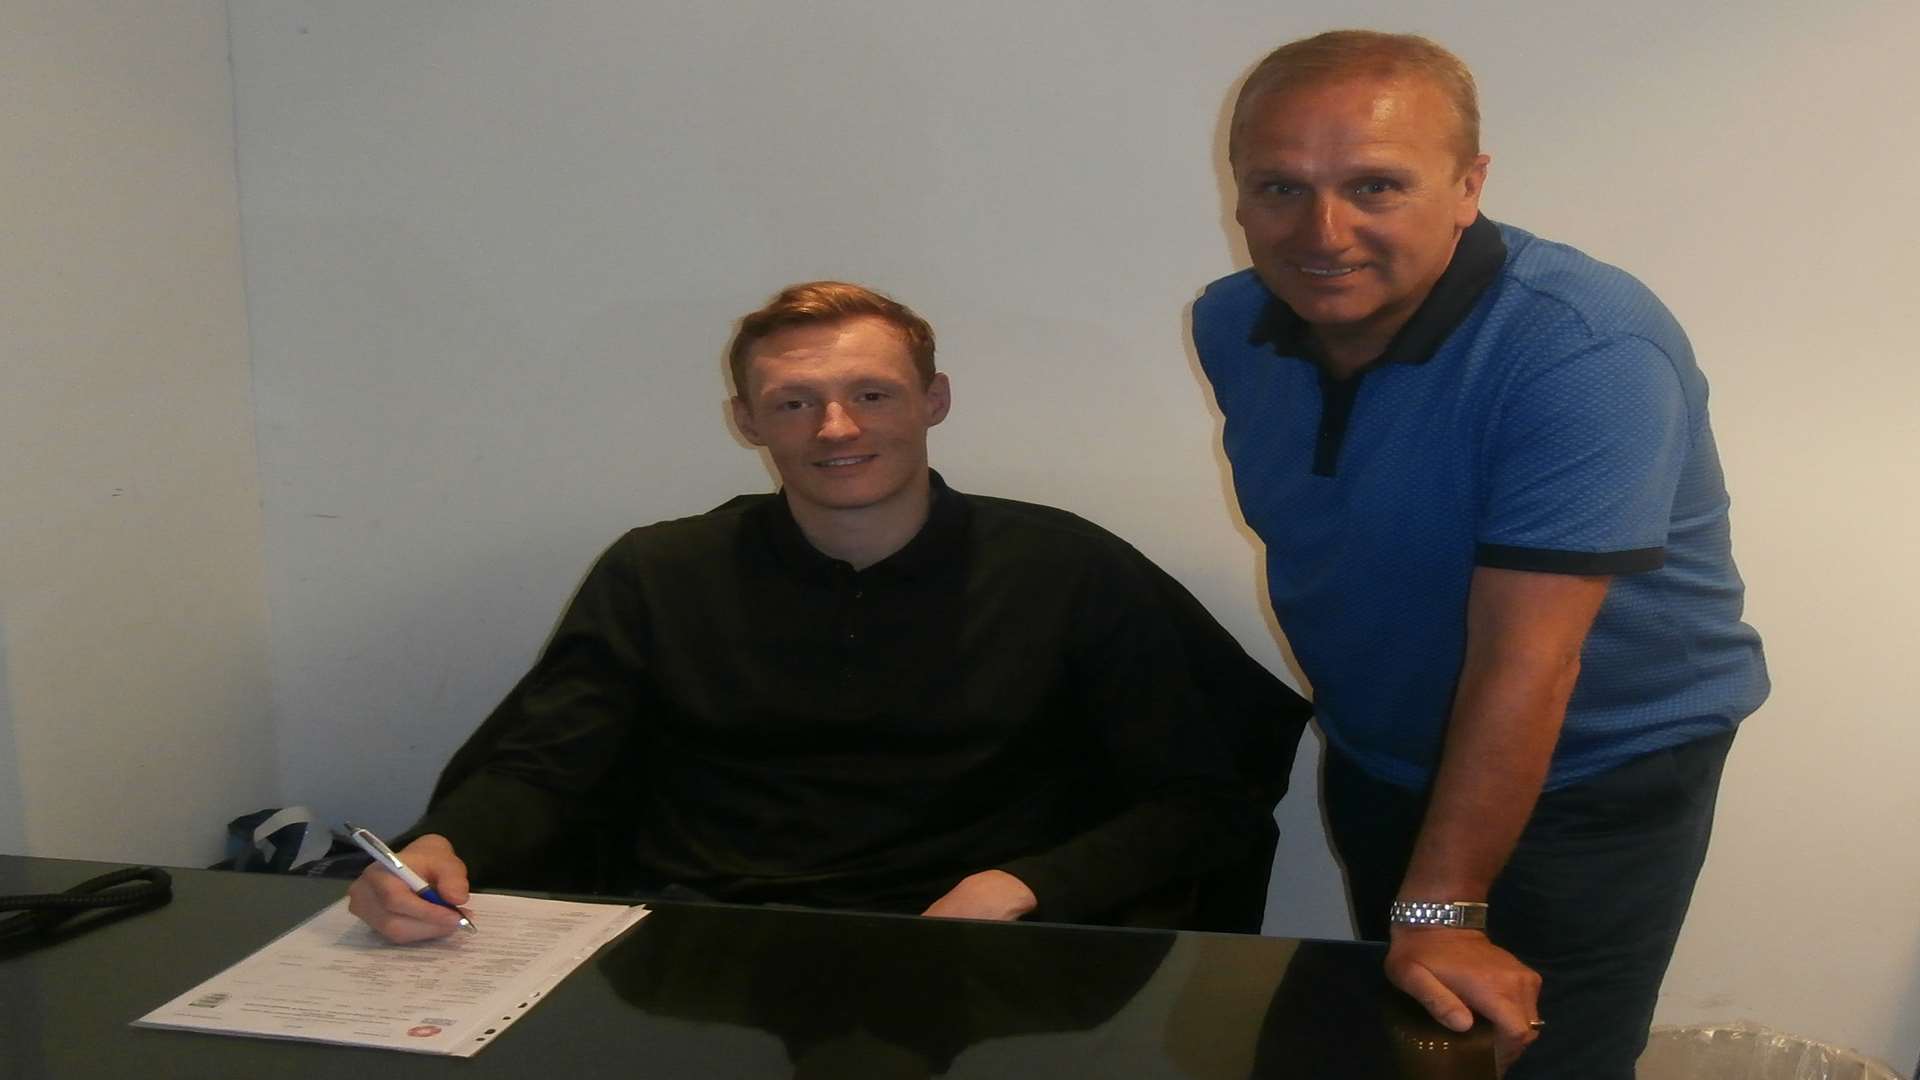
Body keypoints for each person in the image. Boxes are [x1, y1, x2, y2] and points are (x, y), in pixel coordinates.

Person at [350, 281, 1298, 943]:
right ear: (747, 423)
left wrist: (1027, 886)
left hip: (976, 948)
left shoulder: (1067, 569)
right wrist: (441, 844)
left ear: (934, 401)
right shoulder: (660, 572)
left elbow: (1200, 800)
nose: (835, 429)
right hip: (700, 948)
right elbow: (545, 769)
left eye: (871, 394)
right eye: (794, 402)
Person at [1190, 30, 1768, 1078]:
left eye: (1375, 186)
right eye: (1279, 187)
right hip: (1382, 752)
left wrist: (1444, 905)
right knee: (1409, 1054)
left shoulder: (1583, 347)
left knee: (1539, 1064)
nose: (1324, 231)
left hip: (1596, 775)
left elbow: (1527, 660)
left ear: (1468, 186)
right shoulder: (1235, 325)